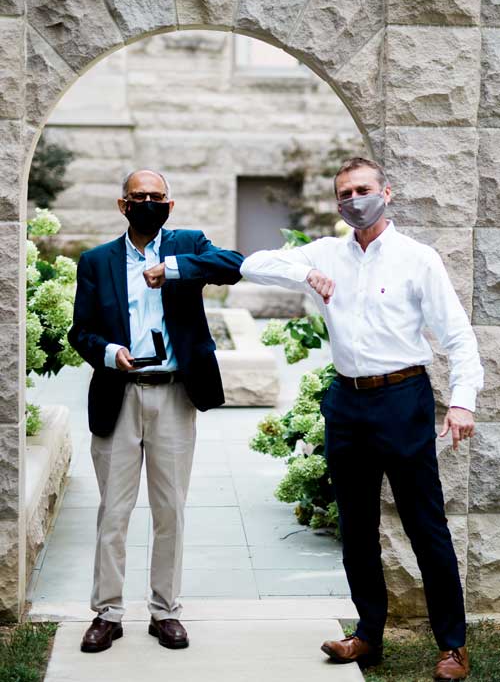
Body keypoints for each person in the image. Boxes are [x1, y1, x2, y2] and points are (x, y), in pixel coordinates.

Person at [240, 157, 483, 681]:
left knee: (426, 526)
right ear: (337, 203)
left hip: (403, 398)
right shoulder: (326, 253)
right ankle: (368, 636)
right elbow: (252, 264)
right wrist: (305, 272)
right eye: (345, 193)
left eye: (363, 189)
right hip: (346, 404)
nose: (355, 199)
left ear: (387, 193)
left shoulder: (418, 259)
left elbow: (459, 337)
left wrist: (462, 401)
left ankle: (453, 646)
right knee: (356, 527)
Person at [68, 169, 243, 654]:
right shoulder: (97, 260)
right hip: (118, 393)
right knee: (114, 512)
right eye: (138, 196)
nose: (148, 202)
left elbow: (232, 264)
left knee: (170, 509)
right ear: (122, 205)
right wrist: (108, 352)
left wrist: (174, 269)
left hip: (172, 394)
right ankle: (107, 613)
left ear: (170, 203)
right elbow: (79, 331)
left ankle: (165, 612)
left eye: (156, 196)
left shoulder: (188, 242)